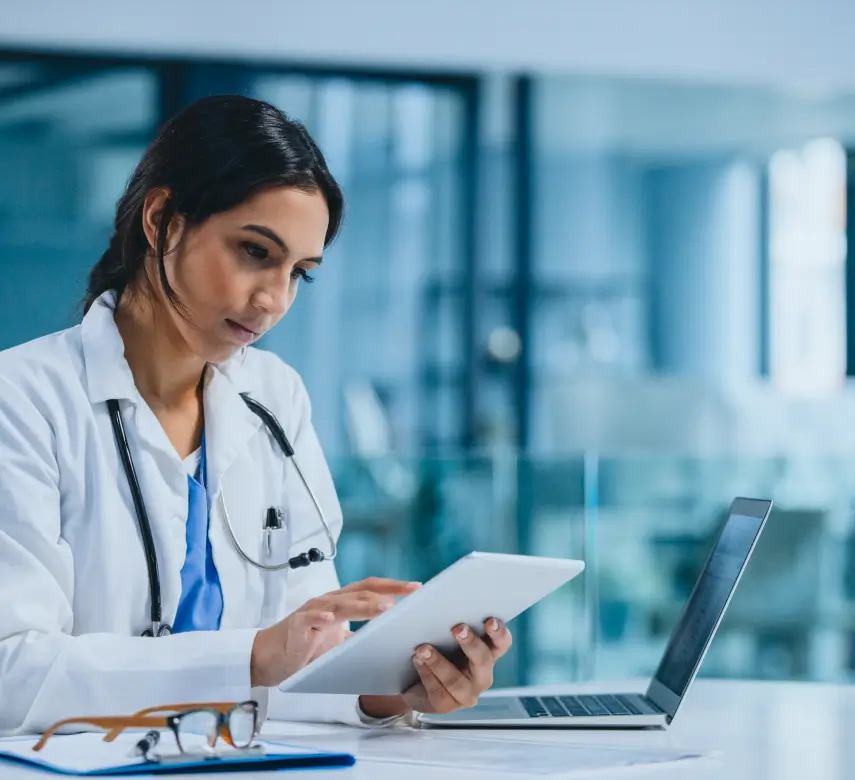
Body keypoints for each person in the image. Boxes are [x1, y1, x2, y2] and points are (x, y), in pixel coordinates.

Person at [0, 95, 511, 737]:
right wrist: (251, 656)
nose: (273, 300)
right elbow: (11, 673)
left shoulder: (275, 397)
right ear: (161, 220)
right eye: (253, 251)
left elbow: (302, 658)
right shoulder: (20, 400)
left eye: (301, 273)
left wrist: (391, 692)